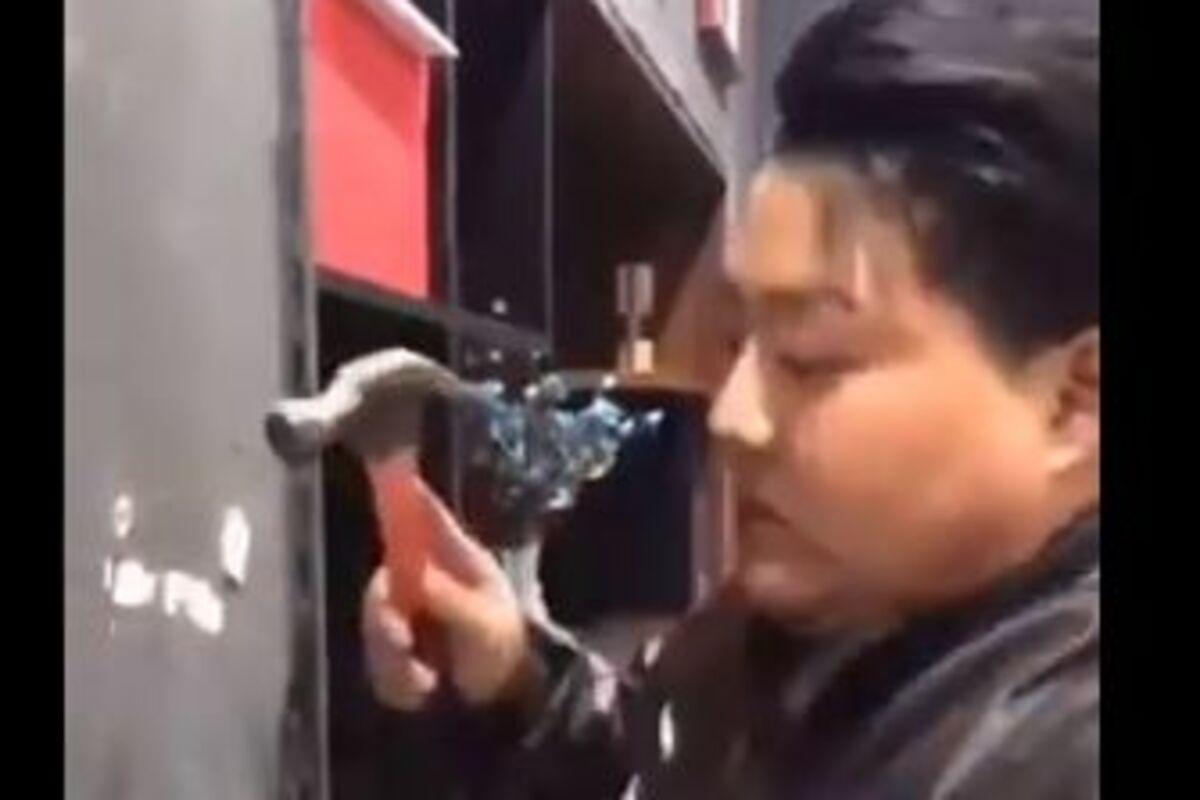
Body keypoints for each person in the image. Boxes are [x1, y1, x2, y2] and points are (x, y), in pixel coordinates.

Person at [361, 0, 1100, 797]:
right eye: (740, 339)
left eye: (812, 357)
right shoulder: (830, 609)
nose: (732, 415)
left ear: (1074, 401)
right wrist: (518, 686)